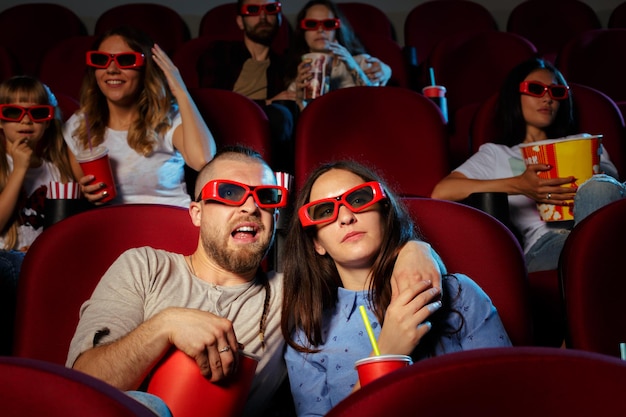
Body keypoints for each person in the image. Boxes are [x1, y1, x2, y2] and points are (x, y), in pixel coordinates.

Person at [65, 146, 441, 416]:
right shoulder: (143, 266)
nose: (249, 207)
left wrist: (414, 248)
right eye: (228, 194)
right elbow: (82, 385)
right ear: (196, 212)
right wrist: (165, 325)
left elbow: (357, 252)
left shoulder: (292, 292)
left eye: (265, 196)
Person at [281, 160, 511, 416]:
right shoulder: (306, 341)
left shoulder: (459, 293)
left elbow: (507, 393)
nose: (346, 216)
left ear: (383, 211)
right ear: (317, 244)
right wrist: (387, 354)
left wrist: (417, 247)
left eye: (358, 199)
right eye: (324, 211)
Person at [431, 57, 625, 273]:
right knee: (599, 248)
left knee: (600, 188)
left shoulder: (586, 142)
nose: (547, 99)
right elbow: (442, 191)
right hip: (545, 245)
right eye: (536, 89)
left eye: (556, 92)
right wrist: (519, 184)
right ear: (515, 96)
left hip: (601, 234)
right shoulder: (498, 154)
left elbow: (611, 194)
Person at [63, 26, 216, 208]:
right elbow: (82, 191)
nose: (111, 69)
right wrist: (84, 193)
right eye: (101, 60)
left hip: (168, 222)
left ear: (146, 69)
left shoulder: (166, 116)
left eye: (125, 60)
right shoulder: (80, 125)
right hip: (112, 227)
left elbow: (202, 160)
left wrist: (180, 90)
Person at [0, 75, 77, 353]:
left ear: (49, 119)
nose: (25, 121)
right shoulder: (2, 165)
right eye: (12, 113)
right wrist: (19, 169)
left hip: (43, 263)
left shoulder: (57, 168)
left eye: (37, 113)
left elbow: (67, 231)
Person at [201, 0, 298, 173]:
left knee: (282, 114)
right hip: (220, 125)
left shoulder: (286, 65)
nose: (262, 16)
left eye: (270, 9)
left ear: (279, 18)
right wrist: (266, 102)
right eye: (253, 10)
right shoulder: (219, 53)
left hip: (267, 133)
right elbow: (211, 102)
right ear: (240, 21)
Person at [286, 0, 392, 109]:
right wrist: (300, 100)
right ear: (302, 32)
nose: (320, 30)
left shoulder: (361, 62)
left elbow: (374, 101)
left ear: (338, 29)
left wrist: (353, 67)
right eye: (311, 24)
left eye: (328, 24)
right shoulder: (300, 77)